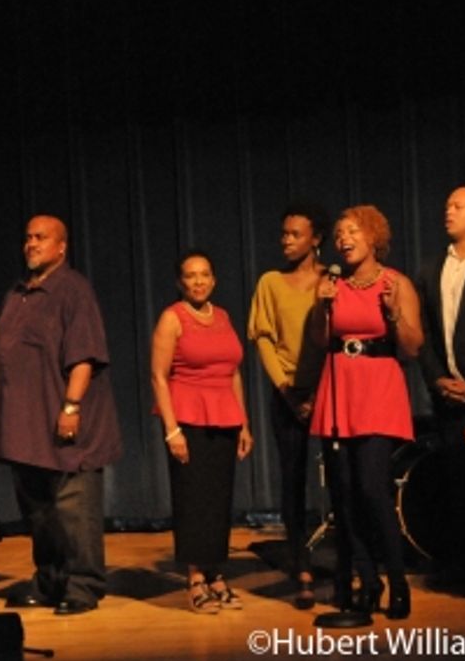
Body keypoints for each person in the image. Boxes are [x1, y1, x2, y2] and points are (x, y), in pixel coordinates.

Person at [0, 215, 122, 616]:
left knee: (73, 508)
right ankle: (49, 579)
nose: (31, 244)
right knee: (39, 511)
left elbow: (84, 356)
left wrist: (71, 406)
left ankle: (83, 584)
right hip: (25, 427)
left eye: (41, 238)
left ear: (61, 247)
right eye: (28, 237)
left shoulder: (73, 290)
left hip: (63, 420)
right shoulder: (18, 293)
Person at [310, 206, 423, 620]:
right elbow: (320, 340)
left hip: (377, 388)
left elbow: (412, 348)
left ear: (373, 237)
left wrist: (393, 312)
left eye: (352, 231)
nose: (343, 239)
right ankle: (368, 580)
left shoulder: (396, 283)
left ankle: (398, 582)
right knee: (344, 494)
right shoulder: (332, 284)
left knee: (372, 489)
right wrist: (320, 306)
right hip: (339, 387)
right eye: (339, 233)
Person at [152, 250, 254, 614]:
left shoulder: (222, 317)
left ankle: (216, 574)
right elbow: (159, 376)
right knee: (193, 500)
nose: (198, 281)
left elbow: (233, 373)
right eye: (191, 275)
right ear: (181, 282)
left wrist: (243, 423)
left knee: (218, 500)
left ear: (214, 279)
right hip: (188, 418)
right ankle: (196, 578)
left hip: (224, 417)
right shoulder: (173, 318)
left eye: (204, 274)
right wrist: (172, 430)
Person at [247, 203, 328, 609]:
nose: (287, 240)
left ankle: (350, 562)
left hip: (329, 391)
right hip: (288, 394)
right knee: (293, 480)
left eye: (296, 234)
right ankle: (302, 567)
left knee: (342, 479)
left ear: (316, 239)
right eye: (284, 233)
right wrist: (287, 391)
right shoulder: (271, 282)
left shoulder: (330, 281)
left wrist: (318, 392)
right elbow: (263, 338)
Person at [418, 186, 465, 443]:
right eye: (447, 207)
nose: (449, 213)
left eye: (457, 207)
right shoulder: (431, 268)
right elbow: (424, 329)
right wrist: (438, 379)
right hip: (447, 400)